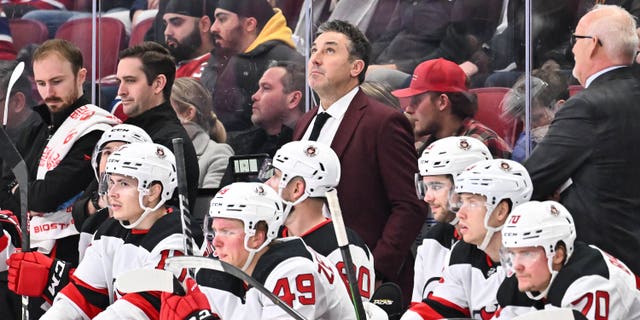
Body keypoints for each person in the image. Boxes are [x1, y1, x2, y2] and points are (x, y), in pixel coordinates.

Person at [293, 19, 427, 304]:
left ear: (356, 68)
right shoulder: (305, 123)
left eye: (329, 51)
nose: (315, 58)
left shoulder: (383, 122)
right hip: (307, 273)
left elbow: (409, 206)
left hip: (361, 279)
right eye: (314, 50)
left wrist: (374, 270)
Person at [0, 41, 119, 319]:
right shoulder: (39, 124)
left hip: (73, 251)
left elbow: (43, 197)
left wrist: (24, 191)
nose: (48, 93)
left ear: (81, 76)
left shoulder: (95, 128)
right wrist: (24, 192)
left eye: (57, 81)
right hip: (28, 244)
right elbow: (8, 187)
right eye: (41, 83)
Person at [8, 142, 188, 319]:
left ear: (153, 192)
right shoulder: (110, 229)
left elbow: (136, 311)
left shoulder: (176, 240)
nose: (112, 192)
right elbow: (80, 298)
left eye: (124, 183)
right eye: (111, 182)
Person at [523, 4, 640, 276]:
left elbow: (532, 179)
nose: (572, 49)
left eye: (576, 40)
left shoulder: (587, 107)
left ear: (594, 44)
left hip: (605, 266)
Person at [159, 182, 357, 319]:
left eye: (227, 231)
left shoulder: (293, 271)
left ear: (258, 235)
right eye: (215, 230)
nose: (216, 242)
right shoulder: (218, 268)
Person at [401, 159, 532, 319]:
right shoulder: (462, 252)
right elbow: (430, 312)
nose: (460, 213)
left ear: (501, 210)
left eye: (472, 202)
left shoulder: (533, 264)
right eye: (462, 201)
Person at [264, 140, 375, 301]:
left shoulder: (343, 247)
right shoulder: (273, 236)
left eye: (276, 175)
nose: (267, 183)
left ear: (297, 189)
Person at [495, 201, 640, 319]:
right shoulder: (526, 280)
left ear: (558, 255)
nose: (516, 266)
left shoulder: (590, 284)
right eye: (512, 254)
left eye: (527, 254)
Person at [116, 41, 200, 213]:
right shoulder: (125, 133)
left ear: (158, 84)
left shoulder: (169, 143)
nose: (121, 91)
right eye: (120, 81)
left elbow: (157, 218)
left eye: (130, 81)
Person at [411, 136, 492, 302]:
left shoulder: (496, 245)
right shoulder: (432, 241)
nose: (427, 197)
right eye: (425, 187)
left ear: (466, 185)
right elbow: (418, 308)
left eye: (436, 186)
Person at [207, 0, 303, 132]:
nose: (213, 28)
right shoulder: (222, 58)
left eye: (222, 19)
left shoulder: (285, 61)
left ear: (250, 24)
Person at [392, 58, 512, 158]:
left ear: (442, 102)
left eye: (416, 101)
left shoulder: (480, 145)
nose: (408, 109)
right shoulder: (421, 143)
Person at [75, 123, 153, 260]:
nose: (112, 159)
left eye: (122, 151)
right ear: (97, 162)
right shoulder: (92, 224)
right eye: (107, 152)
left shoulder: (152, 224)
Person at [227, 60, 305, 157]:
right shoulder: (238, 146)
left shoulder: (308, 148)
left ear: (293, 99)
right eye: (259, 88)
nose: (254, 96)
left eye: (266, 88)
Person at [170, 77, 233, 188]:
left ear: (188, 113)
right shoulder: (157, 151)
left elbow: (212, 203)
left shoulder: (218, 153)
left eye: (166, 109)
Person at [163, 0, 217, 79]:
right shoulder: (166, 67)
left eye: (176, 23)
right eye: (166, 24)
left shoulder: (216, 72)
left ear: (204, 24)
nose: (166, 32)